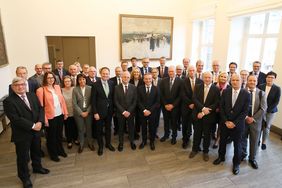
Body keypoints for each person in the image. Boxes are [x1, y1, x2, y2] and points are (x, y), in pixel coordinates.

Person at [4, 77, 49, 188]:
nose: (20, 87)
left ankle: (37, 167)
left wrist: (40, 121)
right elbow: (15, 118)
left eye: (22, 84)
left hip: (36, 130)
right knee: (23, 157)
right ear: (13, 87)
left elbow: (40, 109)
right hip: (22, 134)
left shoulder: (32, 95)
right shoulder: (9, 101)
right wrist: (33, 126)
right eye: (17, 85)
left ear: (25, 85)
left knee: (36, 150)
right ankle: (24, 177)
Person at [213, 74, 250, 175]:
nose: (234, 82)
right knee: (222, 142)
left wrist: (234, 123)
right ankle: (221, 157)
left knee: (237, 145)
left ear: (241, 81)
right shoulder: (225, 92)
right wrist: (226, 121)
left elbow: (245, 112)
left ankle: (236, 164)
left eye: (237, 80)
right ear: (230, 81)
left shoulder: (246, 94)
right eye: (233, 80)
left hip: (237, 125)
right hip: (225, 123)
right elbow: (222, 107)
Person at [36, 72, 68, 162]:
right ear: (45, 79)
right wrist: (44, 119)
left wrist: (65, 113)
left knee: (59, 135)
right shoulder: (40, 90)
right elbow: (41, 107)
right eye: (49, 78)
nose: (51, 79)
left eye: (52, 78)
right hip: (50, 117)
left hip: (60, 115)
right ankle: (53, 154)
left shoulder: (57, 87)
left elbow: (62, 101)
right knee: (51, 136)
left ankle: (60, 150)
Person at [189, 72, 220, 161]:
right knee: (197, 133)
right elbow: (194, 99)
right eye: (205, 77)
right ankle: (194, 149)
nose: (207, 79)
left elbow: (216, 103)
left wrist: (205, 112)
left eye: (209, 77)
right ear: (203, 78)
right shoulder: (198, 86)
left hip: (209, 116)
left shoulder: (216, 89)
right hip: (197, 114)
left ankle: (205, 151)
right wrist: (203, 109)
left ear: (212, 78)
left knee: (207, 135)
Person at [242, 75, 267, 169]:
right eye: (250, 80)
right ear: (247, 81)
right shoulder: (242, 92)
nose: (252, 82)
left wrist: (252, 118)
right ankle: (243, 154)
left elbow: (263, 108)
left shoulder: (262, 93)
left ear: (257, 82)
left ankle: (252, 158)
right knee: (242, 139)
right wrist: (246, 117)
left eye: (254, 81)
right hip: (243, 121)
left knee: (254, 140)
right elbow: (239, 107)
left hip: (256, 122)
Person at [92, 67, 116, 156]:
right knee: (99, 130)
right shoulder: (95, 85)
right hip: (99, 112)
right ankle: (101, 146)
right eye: (104, 73)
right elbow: (93, 101)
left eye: (107, 74)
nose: (105, 75)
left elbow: (112, 98)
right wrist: (95, 113)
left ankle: (108, 144)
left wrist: (113, 110)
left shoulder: (111, 83)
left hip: (109, 111)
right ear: (100, 74)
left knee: (108, 128)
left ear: (109, 75)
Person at [114, 71, 137, 151]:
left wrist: (129, 111)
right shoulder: (116, 88)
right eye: (124, 77)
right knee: (121, 128)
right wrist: (123, 111)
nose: (126, 78)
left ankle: (132, 142)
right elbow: (116, 101)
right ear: (121, 77)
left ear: (130, 78)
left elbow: (135, 101)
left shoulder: (133, 87)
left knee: (131, 127)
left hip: (131, 112)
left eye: (127, 77)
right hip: (121, 113)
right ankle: (121, 143)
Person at [181, 65, 203, 149]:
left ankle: (197, 143)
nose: (192, 72)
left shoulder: (200, 81)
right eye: (190, 70)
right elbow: (182, 95)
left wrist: (195, 104)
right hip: (186, 107)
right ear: (188, 72)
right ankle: (185, 140)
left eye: (193, 70)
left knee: (197, 126)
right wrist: (190, 103)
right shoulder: (183, 81)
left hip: (197, 108)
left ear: (195, 71)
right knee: (185, 125)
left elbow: (201, 95)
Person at [258, 71, 281, 150]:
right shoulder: (261, 86)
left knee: (266, 127)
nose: (270, 79)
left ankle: (264, 142)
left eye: (272, 77)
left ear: (275, 79)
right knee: (259, 125)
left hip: (270, 111)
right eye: (268, 77)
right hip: (260, 110)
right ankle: (257, 140)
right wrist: (261, 109)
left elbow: (276, 101)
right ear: (266, 78)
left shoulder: (277, 89)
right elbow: (258, 98)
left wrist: (267, 109)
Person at [159, 66, 182, 144]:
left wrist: (173, 105)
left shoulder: (180, 81)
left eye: (172, 71)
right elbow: (161, 94)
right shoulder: (164, 80)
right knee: (166, 121)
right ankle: (166, 135)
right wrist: (165, 104)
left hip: (175, 107)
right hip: (165, 106)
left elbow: (180, 95)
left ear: (175, 72)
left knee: (174, 122)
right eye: (169, 71)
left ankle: (174, 137)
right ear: (168, 72)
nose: (171, 73)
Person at [138, 73, 160, 150]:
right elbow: (138, 101)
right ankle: (144, 141)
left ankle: (152, 142)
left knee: (152, 128)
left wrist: (150, 111)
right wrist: (144, 110)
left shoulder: (156, 88)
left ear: (152, 79)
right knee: (143, 127)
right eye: (146, 79)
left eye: (149, 79)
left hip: (152, 112)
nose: (148, 80)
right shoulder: (139, 88)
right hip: (142, 112)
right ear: (143, 79)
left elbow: (157, 102)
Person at [72, 74, 94, 153]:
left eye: (83, 79)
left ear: (86, 80)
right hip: (79, 113)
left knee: (89, 129)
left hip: (89, 112)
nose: (82, 81)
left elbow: (92, 102)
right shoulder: (75, 89)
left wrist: (87, 111)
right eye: (80, 79)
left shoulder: (90, 88)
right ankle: (81, 144)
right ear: (78, 81)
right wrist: (81, 113)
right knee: (80, 129)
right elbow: (74, 103)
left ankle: (90, 143)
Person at [212, 72, 230, 148]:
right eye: (221, 76)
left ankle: (217, 140)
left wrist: (220, 108)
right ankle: (212, 135)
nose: (223, 78)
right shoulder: (214, 85)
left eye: (225, 77)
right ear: (218, 77)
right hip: (213, 109)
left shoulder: (229, 87)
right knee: (212, 123)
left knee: (220, 125)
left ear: (227, 79)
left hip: (223, 110)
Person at [61, 76, 79, 149]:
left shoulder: (74, 89)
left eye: (68, 81)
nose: (67, 82)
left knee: (75, 126)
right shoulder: (61, 90)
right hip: (66, 112)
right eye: (65, 81)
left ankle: (75, 139)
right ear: (63, 82)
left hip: (75, 111)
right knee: (68, 127)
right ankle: (69, 141)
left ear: (71, 82)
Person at [129, 67, 144, 139]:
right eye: (134, 72)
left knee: (138, 118)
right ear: (132, 73)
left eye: (138, 72)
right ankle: (132, 132)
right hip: (131, 103)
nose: (136, 73)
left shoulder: (142, 81)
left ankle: (137, 132)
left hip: (140, 103)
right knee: (131, 119)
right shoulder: (130, 81)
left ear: (140, 73)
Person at [110, 66, 123, 135]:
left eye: (119, 71)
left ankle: (124, 129)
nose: (118, 72)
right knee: (115, 116)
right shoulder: (111, 80)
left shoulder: (125, 79)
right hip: (115, 100)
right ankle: (116, 129)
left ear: (122, 72)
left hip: (123, 101)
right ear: (115, 72)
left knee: (123, 116)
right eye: (117, 71)